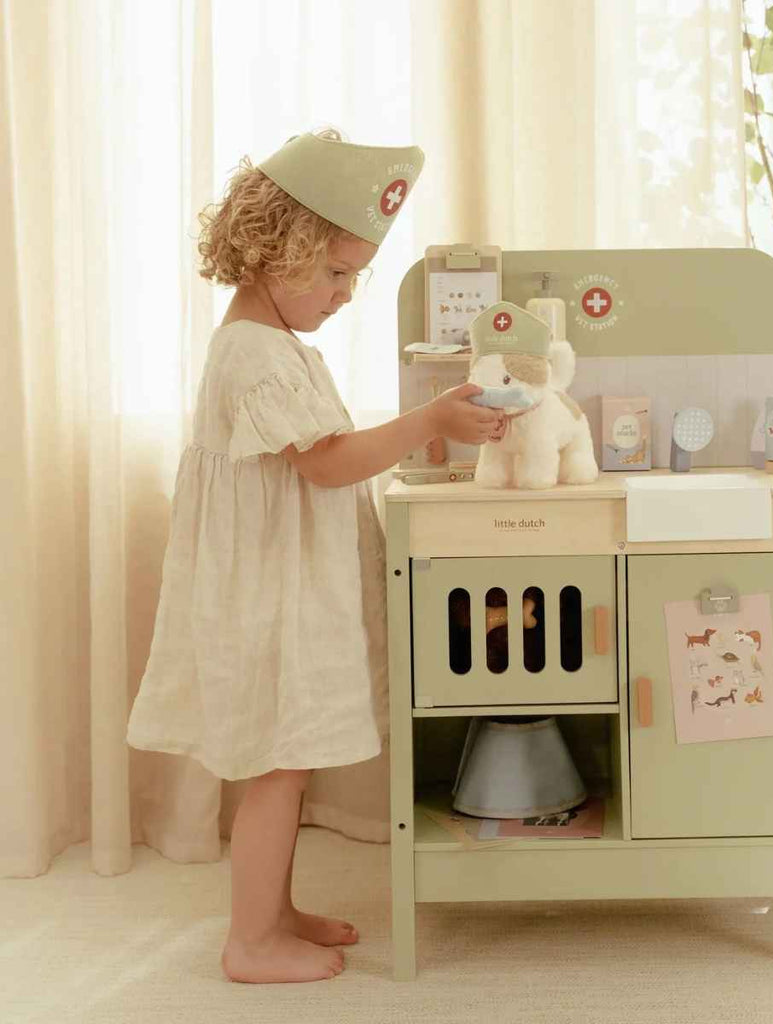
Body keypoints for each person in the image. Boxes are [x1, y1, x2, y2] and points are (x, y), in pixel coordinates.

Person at [126, 127, 500, 984]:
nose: (343, 294)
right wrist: (428, 420)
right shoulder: (254, 355)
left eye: (352, 277)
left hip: (277, 582)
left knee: (286, 762)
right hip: (269, 594)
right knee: (277, 765)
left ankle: (275, 912)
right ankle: (250, 942)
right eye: (334, 273)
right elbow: (327, 463)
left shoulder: (273, 345)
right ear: (277, 252)